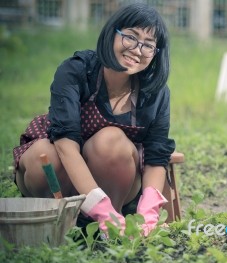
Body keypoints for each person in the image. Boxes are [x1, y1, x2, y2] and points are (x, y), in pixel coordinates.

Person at [13, 2, 175, 237]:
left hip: (114, 185)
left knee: (111, 140)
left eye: (148, 45)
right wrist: (99, 206)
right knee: (44, 153)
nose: (137, 50)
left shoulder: (155, 93)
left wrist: (148, 211)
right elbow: (66, 145)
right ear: (113, 32)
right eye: (131, 37)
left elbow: (156, 156)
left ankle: (108, 227)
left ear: (156, 53)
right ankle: (55, 223)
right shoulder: (76, 71)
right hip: (61, 178)